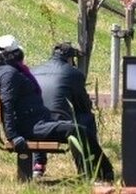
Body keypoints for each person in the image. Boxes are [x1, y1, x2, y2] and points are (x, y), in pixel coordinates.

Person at [0, 34, 92, 179]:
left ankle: (92, 172)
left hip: (33, 121)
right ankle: (96, 173)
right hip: (29, 128)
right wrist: (13, 136)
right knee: (78, 130)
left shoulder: (7, 70)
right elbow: (7, 105)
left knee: (77, 128)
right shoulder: (10, 73)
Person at [31, 42, 114, 183]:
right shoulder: (73, 74)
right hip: (59, 127)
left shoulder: (34, 71)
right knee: (86, 119)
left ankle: (38, 164)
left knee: (42, 114)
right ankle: (89, 166)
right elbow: (83, 105)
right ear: (70, 59)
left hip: (34, 126)